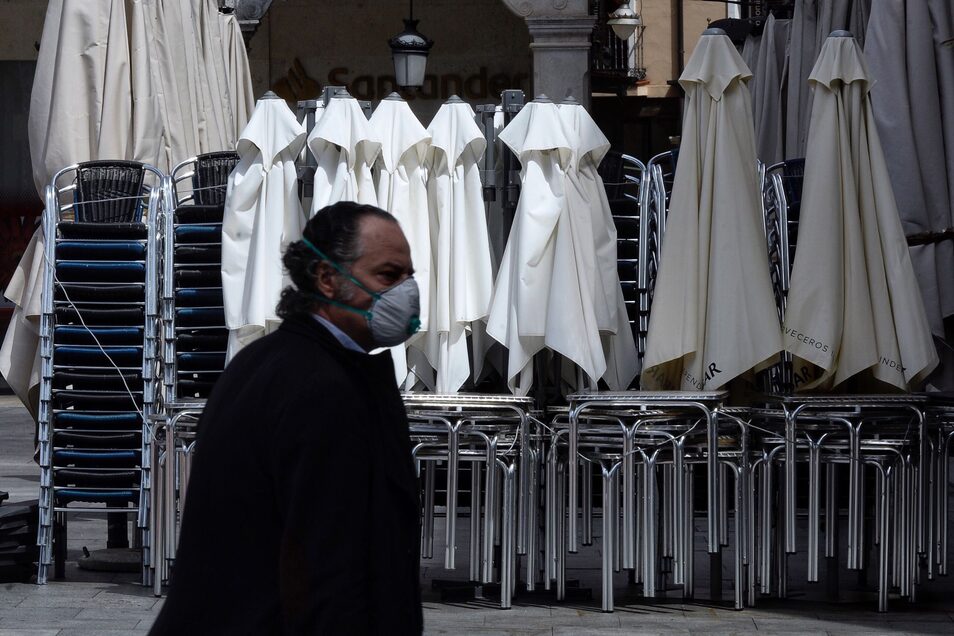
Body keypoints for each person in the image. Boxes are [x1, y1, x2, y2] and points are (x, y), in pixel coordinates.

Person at [150, 202, 424, 635]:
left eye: (409, 277)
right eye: (388, 276)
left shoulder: (262, 362)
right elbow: (327, 567)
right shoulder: (323, 389)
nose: (406, 292)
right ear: (328, 279)